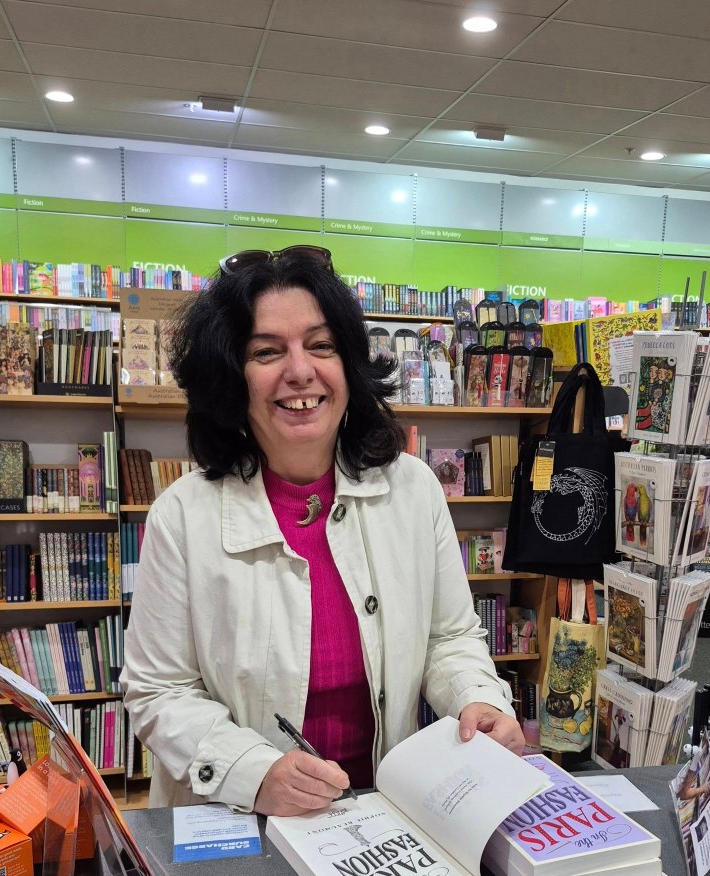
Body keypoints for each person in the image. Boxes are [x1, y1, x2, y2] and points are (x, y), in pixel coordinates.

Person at [121, 246, 523, 816]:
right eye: (266, 351)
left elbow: (449, 638)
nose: (300, 371)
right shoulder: (182, 516)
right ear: (231, 377)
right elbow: (159, 690)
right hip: (239, 816)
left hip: (386, 814)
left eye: (321, 345)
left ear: (349, 364)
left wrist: (478, 700)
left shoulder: (414, 490)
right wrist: (252, 772)